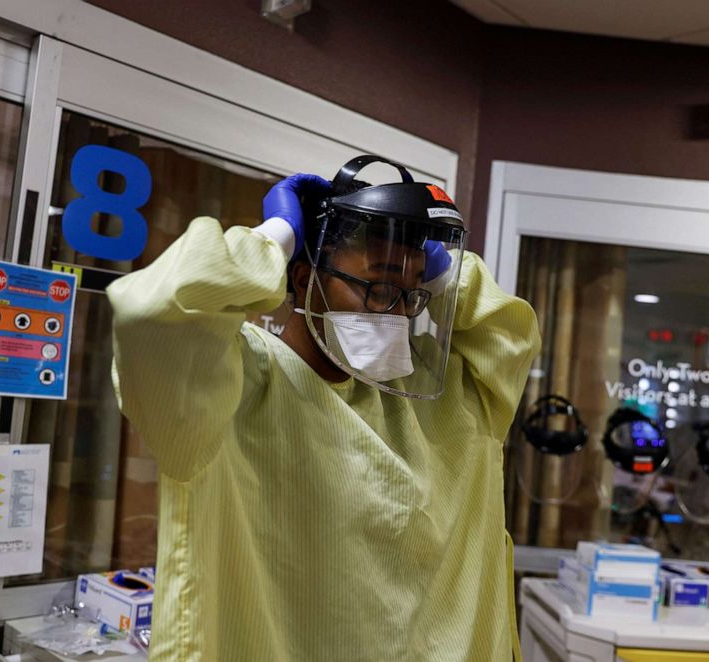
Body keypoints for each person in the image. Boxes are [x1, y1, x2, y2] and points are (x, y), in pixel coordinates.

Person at [107, 155, 541, 661]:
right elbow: (154, 309)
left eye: (412, 294)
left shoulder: (445, 402)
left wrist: (446, 274)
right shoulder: (232, 386)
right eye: (378, 285)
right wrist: (275, 237)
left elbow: (511, 337)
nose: (396, 312)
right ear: (301, 280)